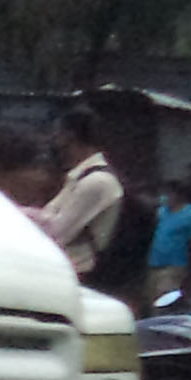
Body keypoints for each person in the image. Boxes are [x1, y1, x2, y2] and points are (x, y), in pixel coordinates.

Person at [36, 106, 124, 282]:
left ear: (69, 136)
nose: (54, 141)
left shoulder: (97, 181)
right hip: (65, 271)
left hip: (78, 275)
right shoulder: (80, 177)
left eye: (57, 134)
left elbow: (55, 234)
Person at [144, 180, 191, 308]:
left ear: (178, 195)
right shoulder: (162, 212)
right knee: (149, 301)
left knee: (163, 300)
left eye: (168, 193)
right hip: (155, 263)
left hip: (174, 265)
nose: (165, 196)